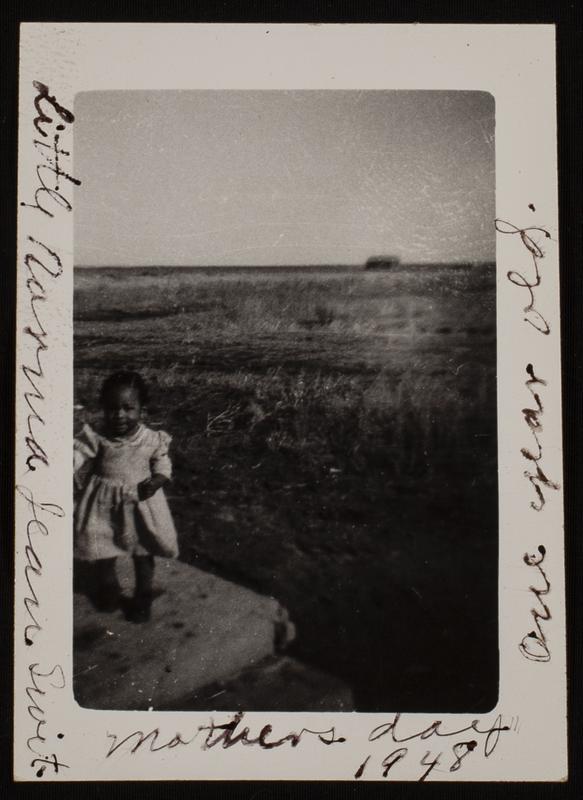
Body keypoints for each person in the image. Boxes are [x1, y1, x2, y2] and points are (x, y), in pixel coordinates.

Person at [74, 370, 179, 622]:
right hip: (103, 504)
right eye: (112, 408)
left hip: (140, 504)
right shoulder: (98, 436)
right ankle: (109, 589)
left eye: (128, 408)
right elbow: (78, 454)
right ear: (103, 409)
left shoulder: (152, 440)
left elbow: (163, 465)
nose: (119, 414)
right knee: (103, 549)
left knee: (143, 553)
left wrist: (156, 481)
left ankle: (143, 597)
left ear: (142, 410)